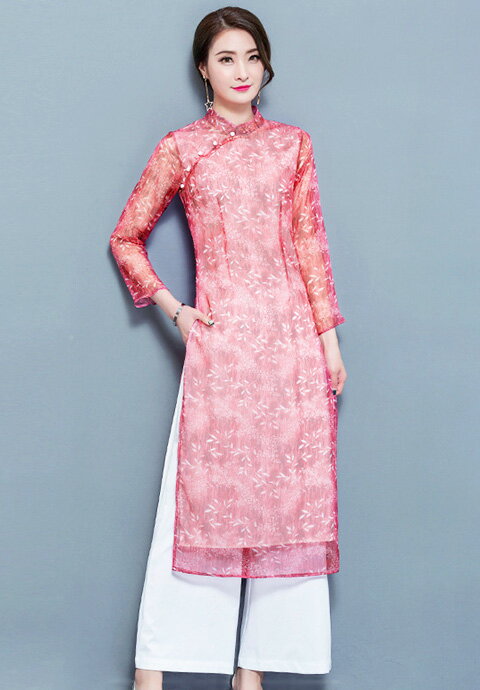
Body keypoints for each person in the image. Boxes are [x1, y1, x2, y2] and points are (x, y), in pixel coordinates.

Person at [109, 7, 347, 690]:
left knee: (287, 505)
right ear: (203, 70)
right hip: (221, 349)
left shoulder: (293, 146)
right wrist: (177, 311)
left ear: (265, 64)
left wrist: (328, 344)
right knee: (200, 502)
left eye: (251, 57)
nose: (241, 71)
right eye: (225, 59)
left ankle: (253, 670)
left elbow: (309, 246)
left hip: (292, 350)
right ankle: (154, 669)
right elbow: (126, 237)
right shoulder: (183, 148)